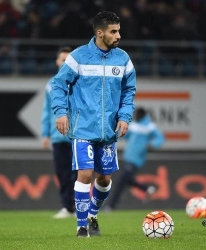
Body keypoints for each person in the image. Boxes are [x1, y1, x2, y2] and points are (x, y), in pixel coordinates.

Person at [50, 11, 136, 237]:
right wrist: (60, 113)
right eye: (113, 31)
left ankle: (92, 215)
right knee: (85, 174)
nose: (118, 35)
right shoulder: (78, 57)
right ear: (100, 33)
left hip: (108, 130)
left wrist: (125, 117)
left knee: (104, 179)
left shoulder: (123, 59)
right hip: (83, 128)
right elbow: (58, 85)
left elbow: (129, 92)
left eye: (119, 30)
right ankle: (81, 226)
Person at [104, 107, 164, 211]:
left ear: (142, 115)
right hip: (128, 156)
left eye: (137, 114)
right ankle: (147, 189)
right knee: (127, 180)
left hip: (137, 158)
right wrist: (114, 133)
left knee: (120, 183)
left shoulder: (149, 127)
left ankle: (110, 206)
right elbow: (124, 135)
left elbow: (160, 138)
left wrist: (153, 144)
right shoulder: (134, 126)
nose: (135, 116)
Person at [41, 46, 77, 219]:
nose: (64, 62)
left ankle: (78, 207)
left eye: (67, 60)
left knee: (77, 175)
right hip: (57, 137)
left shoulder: (79, 81)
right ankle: (67, 208)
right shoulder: (51, 85)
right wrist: (45, 134)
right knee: (62, 174)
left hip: (76, 135)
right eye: (62, 59)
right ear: (57, 61)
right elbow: (47, 111)